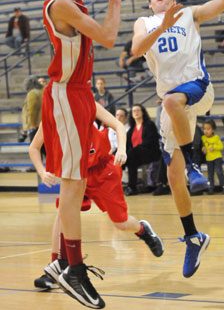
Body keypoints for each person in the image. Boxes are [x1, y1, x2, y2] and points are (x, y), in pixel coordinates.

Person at [41, 0, 123, 308]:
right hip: (67, 96)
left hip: (78, 96)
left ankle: (64, 264)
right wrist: (114, 0)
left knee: (75, 185)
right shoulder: (64, 6)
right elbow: (108, 36)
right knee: (72, 187)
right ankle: (70, 268)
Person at [132, 0, 224, 278]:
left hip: (197, 89)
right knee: (174, 178)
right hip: (171, 104)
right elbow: (136, 49)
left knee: (173, 102)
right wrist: (160, 28)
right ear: (150, 3)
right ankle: (194, 236)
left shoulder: (189, 15)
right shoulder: (145, 23)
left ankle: (194, 163)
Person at [32, 103, 164, 290]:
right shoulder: (51, 116)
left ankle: (143, 230)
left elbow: (118, 125)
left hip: (103, 171)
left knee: (121, 222)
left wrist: (122, 150)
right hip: (76, 173)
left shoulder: (86, 103)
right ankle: (55, 269)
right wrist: (42, 171)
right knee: (63, 213)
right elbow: (34, 148)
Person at [124, 104, 162, 196]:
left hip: (150, 153)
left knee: (130, 155)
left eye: (138, 110)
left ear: (143, 112)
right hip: (135, 156)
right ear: (131, 114)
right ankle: (132, 187)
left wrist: (133, 150)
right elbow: (127, 145)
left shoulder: (149, 125)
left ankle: (131, 186)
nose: (136, 112)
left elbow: (150, 142)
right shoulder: (131, 130)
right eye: (134, 111)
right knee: (127, 159)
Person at [202, 119, 224, 195]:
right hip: (209, 158)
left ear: (213, 130)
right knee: (210, 174)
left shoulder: (216, 137)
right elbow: (203, 146)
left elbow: (221, 146)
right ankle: (211, 188)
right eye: (204, 129)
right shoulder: (203, 138)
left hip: (217, 158)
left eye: (208, 129)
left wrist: (214, 147)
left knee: (219, 172)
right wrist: (204, 149)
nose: (206, 131)